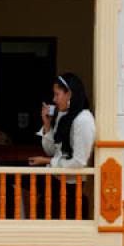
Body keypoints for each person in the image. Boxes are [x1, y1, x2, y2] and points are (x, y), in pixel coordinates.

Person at [28, 73, 95, 219]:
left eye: (57, 94)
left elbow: (78, 162)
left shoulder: (83, 120)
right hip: (55, 180)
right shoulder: (64, 115)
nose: (54, 99)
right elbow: (51, 150)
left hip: (70, 187)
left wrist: (47, 161)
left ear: (69, 94)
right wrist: (47, 123)